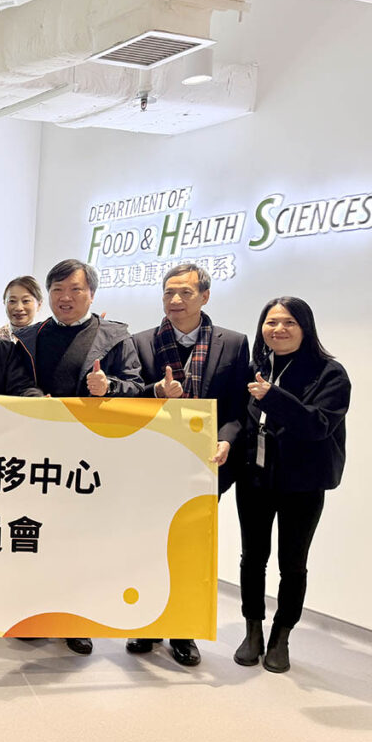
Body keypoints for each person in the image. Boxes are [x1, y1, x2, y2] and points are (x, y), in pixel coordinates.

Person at [13, 258, 143, 656]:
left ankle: (76, 620)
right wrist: (38, 399)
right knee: (36, 535)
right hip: (39, 453)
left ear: (92, 294)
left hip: (92, 456)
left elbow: (137, 387)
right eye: (57, 290)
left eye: (75, 290)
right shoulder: (29, 337)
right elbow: (17, 384)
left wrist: (110, 386)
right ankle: (38, 613)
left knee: (81, 540)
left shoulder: (115, 337)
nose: (65, 298)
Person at [125, 263, 250, 667]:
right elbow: (129, 397)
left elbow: (239, 408)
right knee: (147, 543)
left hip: (204, 465)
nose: (175, 300)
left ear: (205, 297)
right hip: (152, 464)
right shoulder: (141, 342)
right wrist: (155, 391)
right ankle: (147, 624)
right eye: (168, 293)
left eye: (185, 293)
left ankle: (182, 630)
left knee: (190, 550)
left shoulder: (233, 343)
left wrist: (227, 439)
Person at [233, 297, 349, 674]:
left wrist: (273, 397)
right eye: (271, 322)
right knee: (253, 558)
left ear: (305, 328)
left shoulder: (330, 373)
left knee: (293, 563)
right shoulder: (255, 367)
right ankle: (253, 630)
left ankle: (281, 635)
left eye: (289, 322)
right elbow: (240, 419)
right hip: (255, 478)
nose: (279, 329)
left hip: (303, 484)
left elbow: (318, 425)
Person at [0, 275, 43, 342]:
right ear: (4, 303)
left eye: (26, 301)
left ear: (39, 304)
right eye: (12, 301)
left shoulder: (46, 337)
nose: (19, 308)